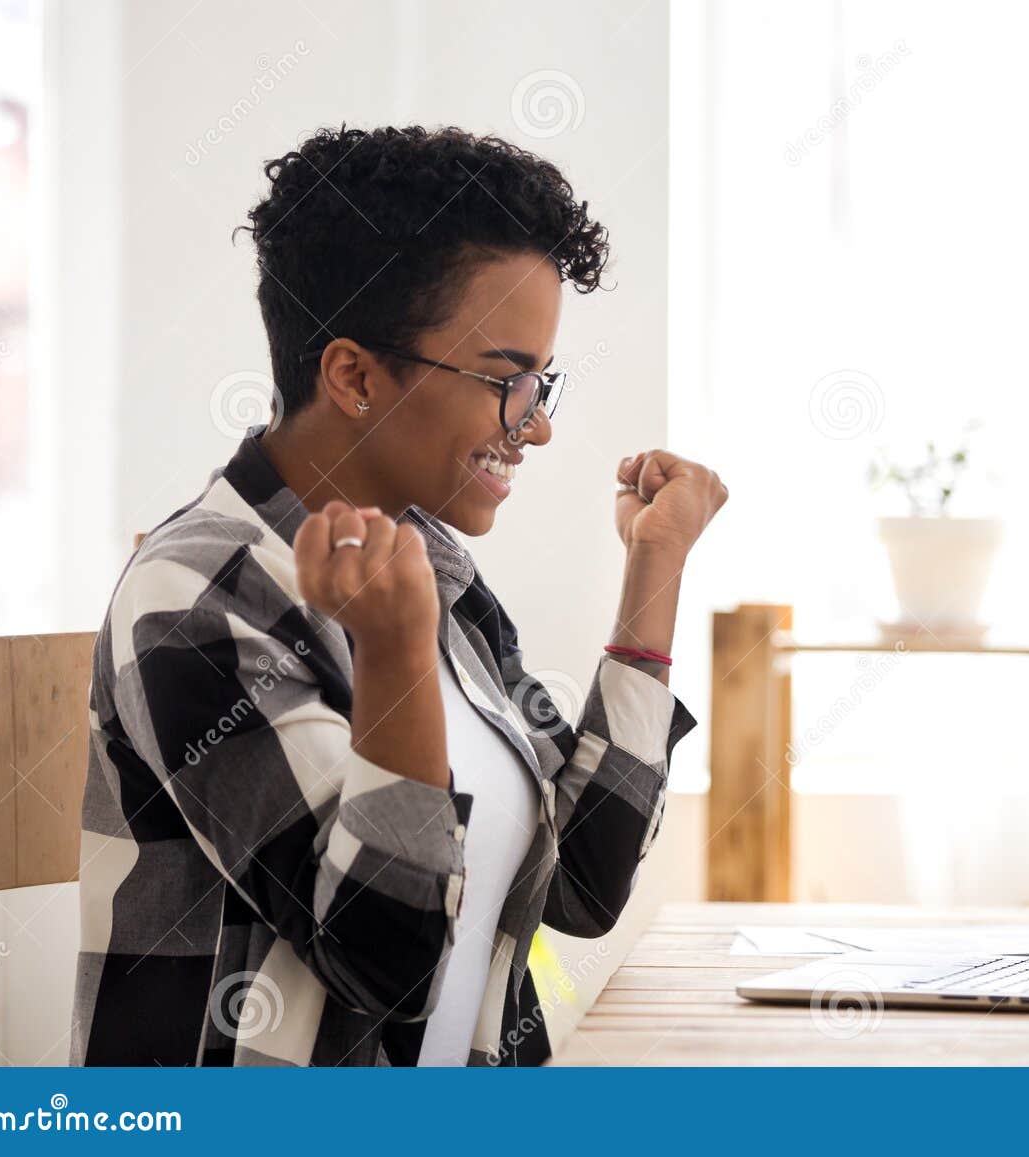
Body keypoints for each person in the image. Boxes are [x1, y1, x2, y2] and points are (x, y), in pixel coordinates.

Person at [70, 125, 726, 1066]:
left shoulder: (436, 568)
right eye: (507, 380)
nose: (535, 426)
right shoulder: (196, 598)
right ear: (355, 376)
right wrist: (394, 654)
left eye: (544, 382)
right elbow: (387, 961)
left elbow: (584, 883)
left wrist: (652, 575)